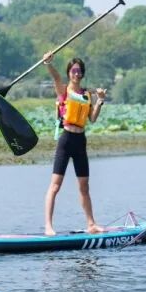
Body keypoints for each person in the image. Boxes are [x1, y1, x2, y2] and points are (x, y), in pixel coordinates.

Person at [41, 53, 107, 236]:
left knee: (84, 187)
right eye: (73, 71)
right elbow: (56, 77)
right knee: (55, 185)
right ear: (69, 73)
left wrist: (100, 100)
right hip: (66, 140)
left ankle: (91, 224)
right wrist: (48, 63)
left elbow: (92, 118)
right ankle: (48, 226)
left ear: (82, 74)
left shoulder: (87, 95)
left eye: (79, 71)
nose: (76, 74)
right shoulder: (63, 90)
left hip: (80, 142)